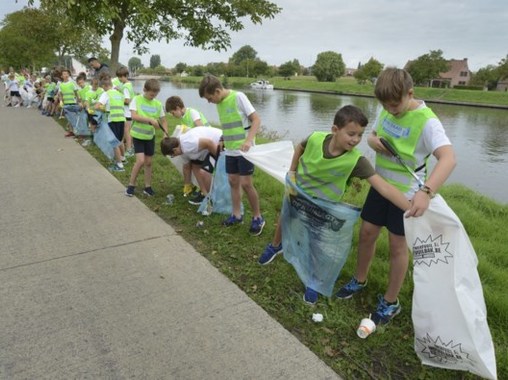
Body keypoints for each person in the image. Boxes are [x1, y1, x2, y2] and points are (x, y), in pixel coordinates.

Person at [335, 68, 456, 324]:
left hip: (407, 195)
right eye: (385, 105)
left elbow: (449, 158)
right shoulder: (386, 109)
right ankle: (359, 279)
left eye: (395, 105)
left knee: (396, 246)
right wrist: (373, 142)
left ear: (409, 93)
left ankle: (390, 302)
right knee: (367, 233)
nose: (390, 110)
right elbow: (373, 135)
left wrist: (426, 192)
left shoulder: (428, 121)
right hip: (380, 187)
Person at [258, 105, 411, 305]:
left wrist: (411, 207)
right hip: (298, 194)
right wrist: (292, 172)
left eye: (360, 135)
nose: (356, 140)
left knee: (317, 243)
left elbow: (384, 188)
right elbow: (300, 148)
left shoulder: (357, 161)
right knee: (285, 217)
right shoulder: (315, 138)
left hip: (323, 208)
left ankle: (313, 281)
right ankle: (276, 246)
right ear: (335, 129)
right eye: (351, 134)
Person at [199, 74, 265, 236]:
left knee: (246, 184)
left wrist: (249, 141)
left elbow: (256, 120)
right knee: (233, 181)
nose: (209, 102)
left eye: (209, 98)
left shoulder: (238, 97)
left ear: (217, 91)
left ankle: (258, 217)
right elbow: (230, 125)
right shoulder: (219, 103)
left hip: (245, 151)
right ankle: (236, 215)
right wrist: (222, 139)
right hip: (230, 150)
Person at [125, 79, 169, 197]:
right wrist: (149, 120)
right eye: (150, 94)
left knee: (148, 163)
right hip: (138, 136)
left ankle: (147, 187)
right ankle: (131, 185)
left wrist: (165, 133)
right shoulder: (137, 99)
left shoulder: (158, 104)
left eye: (155, 95)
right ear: (144, 90)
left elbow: (164, 121)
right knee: (140, 161)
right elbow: (133, 116)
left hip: (150, 136)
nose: (152, 97)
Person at [160, 126, 222, 205]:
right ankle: (206, 195)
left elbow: (209, 143)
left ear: (174, 150)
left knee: (204, 172)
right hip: (206, 148)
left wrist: (220, 159)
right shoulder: (181, 149)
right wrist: (188, 185)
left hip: (219, 142)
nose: (174, 156)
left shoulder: (188, 144)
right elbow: (189, 167)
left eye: (172, 155)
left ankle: (214, 197)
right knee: (196, 167)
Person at [165, 95, 211, 197]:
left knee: (199, 167)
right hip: (195, 144)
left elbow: (201, 128)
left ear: (177, 108)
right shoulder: (183, 117)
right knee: (186, 164)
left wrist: (188, 130)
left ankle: (201, 187)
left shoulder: (192, 113)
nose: (173, 115)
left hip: (205, 144)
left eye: (172, 113)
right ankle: (188, 185)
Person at [95, 76, 126, 171]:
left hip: (112, 120)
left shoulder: (106, 94)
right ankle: (123, 158)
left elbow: (97, 106)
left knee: (114, 142)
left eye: (102, 87)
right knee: (120, 140)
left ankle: (119, 165)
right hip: (122, 119)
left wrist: (103, 109)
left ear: (104, 86)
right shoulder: (119, 94)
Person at [115, 66, 135, 157]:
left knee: (127, 131)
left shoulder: (125, 87)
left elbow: (127, 100)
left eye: (120, 77)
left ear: (126, 75)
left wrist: (119, 99)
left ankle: (129, 149)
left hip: (127, 112)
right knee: (127, 130)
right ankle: (128, 146)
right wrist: (119, 90)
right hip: (129, 112)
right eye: (118, 77)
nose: (119, 79)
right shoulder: (128, 84)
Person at [55, 68, 80, 136]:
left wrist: (78, 101)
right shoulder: (61, 85)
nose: (65, 75)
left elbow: (76, 92)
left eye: (67, 74)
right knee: (69, 118)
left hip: (73, 102)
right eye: (64, 74)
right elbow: (60, 94)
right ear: (61, 76)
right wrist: (60, 101)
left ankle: (75, 131)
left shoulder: (72, 83)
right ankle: (71, 131)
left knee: (73, 117)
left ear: (68, 75)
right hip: (66, 103)